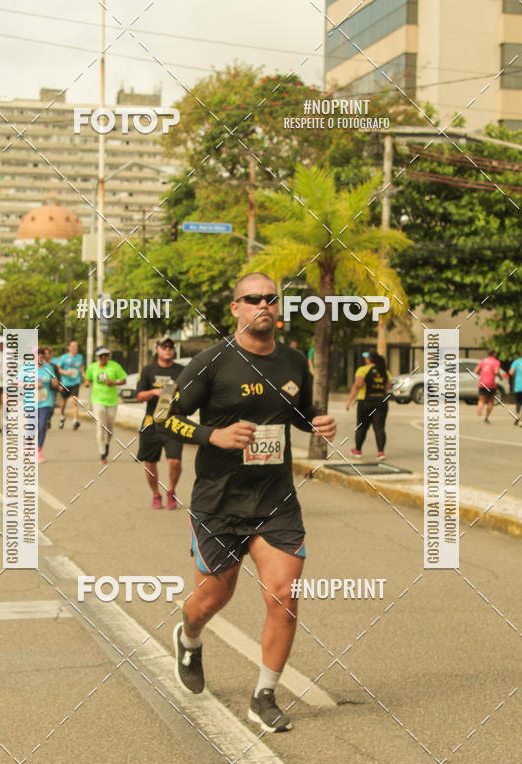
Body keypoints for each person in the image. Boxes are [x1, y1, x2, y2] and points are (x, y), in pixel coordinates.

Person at [163, 272, 337, 733]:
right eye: (253, 298)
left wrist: (316, 422)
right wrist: (213, 435)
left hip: (275, 501)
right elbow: (162, 418)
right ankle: (189, 636)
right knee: (212, 598)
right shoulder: (210, 362)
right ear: (236, 308)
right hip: (218, 502)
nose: (264, 305)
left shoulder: (294, 361)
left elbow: (299, 413)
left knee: (284, 595)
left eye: (271, 298)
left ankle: (264, 695)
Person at [136, 337, 185, 510]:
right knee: (150, 463)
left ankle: (171, 491)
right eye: (164, 346)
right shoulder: (148, 370)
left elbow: (190, 393)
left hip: (173, 421)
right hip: (151, 422)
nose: (168, 349)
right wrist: (155, 392)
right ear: (157, 349)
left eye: (171, 347)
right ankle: (156, 494)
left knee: (175, 461)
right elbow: (139, 396)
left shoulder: (182, 371)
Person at [346, 351, 392, 460]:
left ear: (369, 359)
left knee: (361, 426)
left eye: (366, 357)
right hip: (381, 402)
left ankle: (358, 450)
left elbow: (358, 385)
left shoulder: (362, 370)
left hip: (365, 402)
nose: (365, 359)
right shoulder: (385, 371)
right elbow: (388, 386)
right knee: (379, 427)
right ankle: (381, 452)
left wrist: (349, 401)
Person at [84, 347, 127, 463]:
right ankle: (102, 452)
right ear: (96, 357)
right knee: (101, 425)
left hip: (112, 400)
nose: (104, 358)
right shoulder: (92, 367)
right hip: (97, 400)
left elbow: (123, 380)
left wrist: (114, 383)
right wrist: (86, 383)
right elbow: (88, 379)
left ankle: (107, 443)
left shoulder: (115, 366)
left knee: (110, 426)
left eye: (106, 355)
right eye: (101, 356)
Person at [34, 346, 59, 462]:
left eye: (42, 354)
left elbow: (54, 382)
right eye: (37, 353)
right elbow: (18, 383)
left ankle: (38, 450)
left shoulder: (49, 368)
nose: (40, 356)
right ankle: (28, 445)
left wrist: (55, 383)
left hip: (45, 400)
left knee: (42, 425)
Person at [55, 340, 85, 430]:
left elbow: (81, 368)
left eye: (76, 346)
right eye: (73, 346)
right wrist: (65, 372)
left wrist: (84, 377)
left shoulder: (80, 357)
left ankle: (75, 421)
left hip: (75, 382)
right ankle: (62, 416)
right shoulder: (64, 357)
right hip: (65, 383)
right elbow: (58, 369)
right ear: (69, 348)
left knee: (75, 402)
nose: (76, 348)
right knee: (63, 402)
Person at [475, 350, 507, 424]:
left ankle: (480, 409)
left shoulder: (483, 361)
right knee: (491, 401)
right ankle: (486, 418)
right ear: (494, 354)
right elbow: (496, 372)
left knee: (481, 400)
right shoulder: (496, 362)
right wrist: (500, 377)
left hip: (482, 383)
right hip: (491, 384)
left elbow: (476, 371)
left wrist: (482, 374)